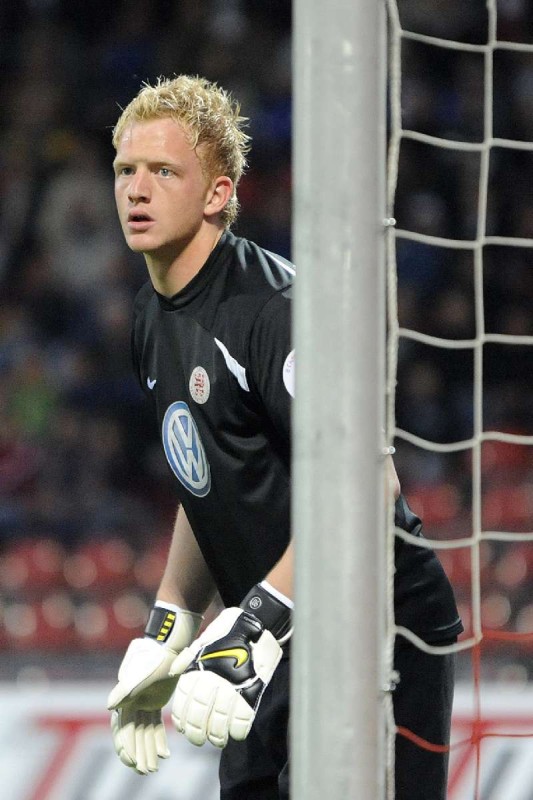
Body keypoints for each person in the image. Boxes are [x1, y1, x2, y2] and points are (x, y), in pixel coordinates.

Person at [106, 75, 462, 800]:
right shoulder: (150, 316)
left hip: (374, 628)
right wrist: (170, 624)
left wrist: (255, 625)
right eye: (125, 170)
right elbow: (207, 478)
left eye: (163, 171)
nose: (136, 190)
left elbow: (366, 484)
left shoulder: (277, 311)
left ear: (217, 193)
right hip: (271, 638)